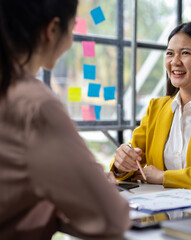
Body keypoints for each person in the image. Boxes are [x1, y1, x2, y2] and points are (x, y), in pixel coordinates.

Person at [0, 0, 130, 239]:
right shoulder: (35, 106)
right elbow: (112, 218)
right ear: (51, 30)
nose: (70, 41)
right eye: (71, 30)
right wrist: (67, 192)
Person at [110, 21, 191, 190]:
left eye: (185, 53)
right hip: (158, 207)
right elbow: (131, 165)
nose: (175, 61)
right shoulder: (156, 108)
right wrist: (122, 163)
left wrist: (163, 177)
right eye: (170, 53)